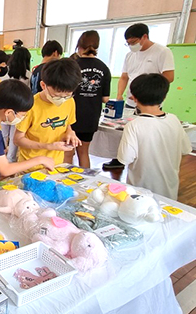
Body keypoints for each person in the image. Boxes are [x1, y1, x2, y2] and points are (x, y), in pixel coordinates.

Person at [104, 23, 175, 169]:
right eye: (128, 43)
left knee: (147, 132)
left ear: (144, 36)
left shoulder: (162, 52)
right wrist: (119, 95)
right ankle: (120, 158)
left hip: (149, 101)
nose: (131, 45)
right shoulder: (130, 55)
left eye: (133, 42)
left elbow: (168, 76)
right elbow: (124, 77)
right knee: (126, 129)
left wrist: (145, 91)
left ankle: (146, 159)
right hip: (132, 100)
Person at [117, 74, 190, 200]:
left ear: (134, 98)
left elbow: (125, 158)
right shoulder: (174, 119)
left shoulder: (134, 125)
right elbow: (185, 149)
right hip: (169, 192)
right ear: (164, 96)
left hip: (139, 193)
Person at [14, 58, 82, 167]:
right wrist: (49, 146)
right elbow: (18, 140)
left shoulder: (70, 101)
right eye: (57, 95)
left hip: (56, 165)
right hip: (30, 166)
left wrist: (70, 133)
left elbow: (67, 125)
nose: (62, 99)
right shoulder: (31, 105)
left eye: (67, 95)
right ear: (43, 85)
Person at [65, 31, 111, 168]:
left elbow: (65, 93)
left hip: (72, 115)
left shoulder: (72, 65)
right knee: (84, 152)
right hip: (91, 116)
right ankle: (85, 184)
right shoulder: (104, 68)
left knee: (68, 152)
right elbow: (105, 98)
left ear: (79, 46)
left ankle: (65, 182)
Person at [0, 47, 32, 162]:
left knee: (2, 135)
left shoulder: (5, 73)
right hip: (19, 110)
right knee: (14, 137)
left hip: (4, 108)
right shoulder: (28, 75)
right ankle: (11, 159)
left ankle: (0, 158)